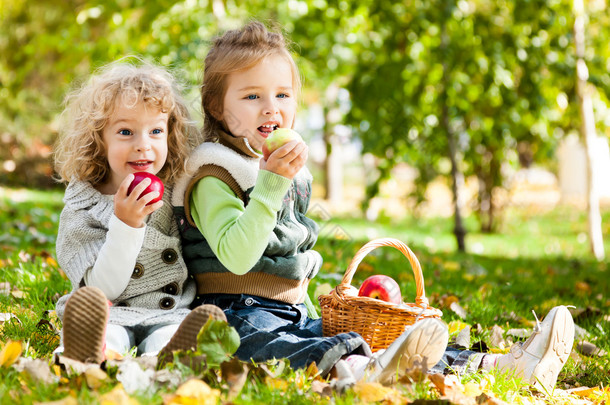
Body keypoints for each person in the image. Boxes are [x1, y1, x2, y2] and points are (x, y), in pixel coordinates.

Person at [172, 21, 575, 392]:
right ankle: (367, 371)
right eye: (251, 96)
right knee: (277, 347)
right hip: (235, 313)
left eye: (282, 94)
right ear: (217, 107)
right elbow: (239, 258)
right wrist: (271, 183)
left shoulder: (282, 171)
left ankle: (499, 364)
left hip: (289, 310)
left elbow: (288, 255)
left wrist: (312, 305)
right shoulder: (214, 174)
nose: (270, 107)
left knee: (363, 334)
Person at [53, 59, 226, 366]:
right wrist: (126, 224)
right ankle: (90, 354)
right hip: (108, 309)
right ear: (98, 139)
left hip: (168, 310)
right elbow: (102, 288)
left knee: (169, 336)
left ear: (170, 135)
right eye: (125, 132)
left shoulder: (178, 190)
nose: (143, 145)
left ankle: (172, 358)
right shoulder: (85, 205)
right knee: (109, 335)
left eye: (156, 131)